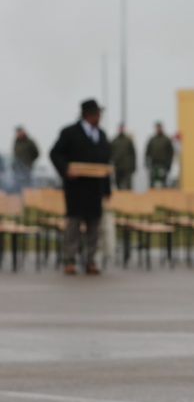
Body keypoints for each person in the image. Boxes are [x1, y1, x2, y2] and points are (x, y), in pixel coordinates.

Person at [49, 99, 112, 275]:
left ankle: (90, 260)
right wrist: (65, 169)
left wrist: (107, 190)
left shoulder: (101, 135)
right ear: (87, 115)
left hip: (95, 188)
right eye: (96, 114)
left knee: (94, 226)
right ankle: (69, 260)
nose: (98, 117)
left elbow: (105, 164)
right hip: (76, 187)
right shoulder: (70, 133)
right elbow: (55, 154)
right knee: (73, 225)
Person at [145, 121, 174, 188]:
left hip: (163, 164)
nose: (158, 129)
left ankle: (163, 197)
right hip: (154, 164)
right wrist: (147, 163)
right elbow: (147, 153)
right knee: (152, 183)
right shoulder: (152, 140)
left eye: (159, 127)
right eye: (157, 127)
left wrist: (168, 164)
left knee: (163, 182)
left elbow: (170, 153)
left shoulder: (166, 140)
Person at [12, 126, 40, 192]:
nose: (19, 133)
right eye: (18, 132)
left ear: (23, 132)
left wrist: (29, 161)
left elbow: (36, 153)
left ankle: (28, 198)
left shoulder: (29, 142)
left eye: (20, 131)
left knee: (27, 184)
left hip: (27, 167)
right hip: (17, 167)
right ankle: (18, 197)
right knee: (18, 184)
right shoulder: (16, 142)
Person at [110, 124, 137, 190]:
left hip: (127, 166)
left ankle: (129, 198)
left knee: (128, 185)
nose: (121, 129)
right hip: (117, 165)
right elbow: (110, 153)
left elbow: (133, 154)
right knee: (118, 184)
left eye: (122, 128)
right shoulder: (114, 141)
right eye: (120, 128)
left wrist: (133, 166)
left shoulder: (128, 141)